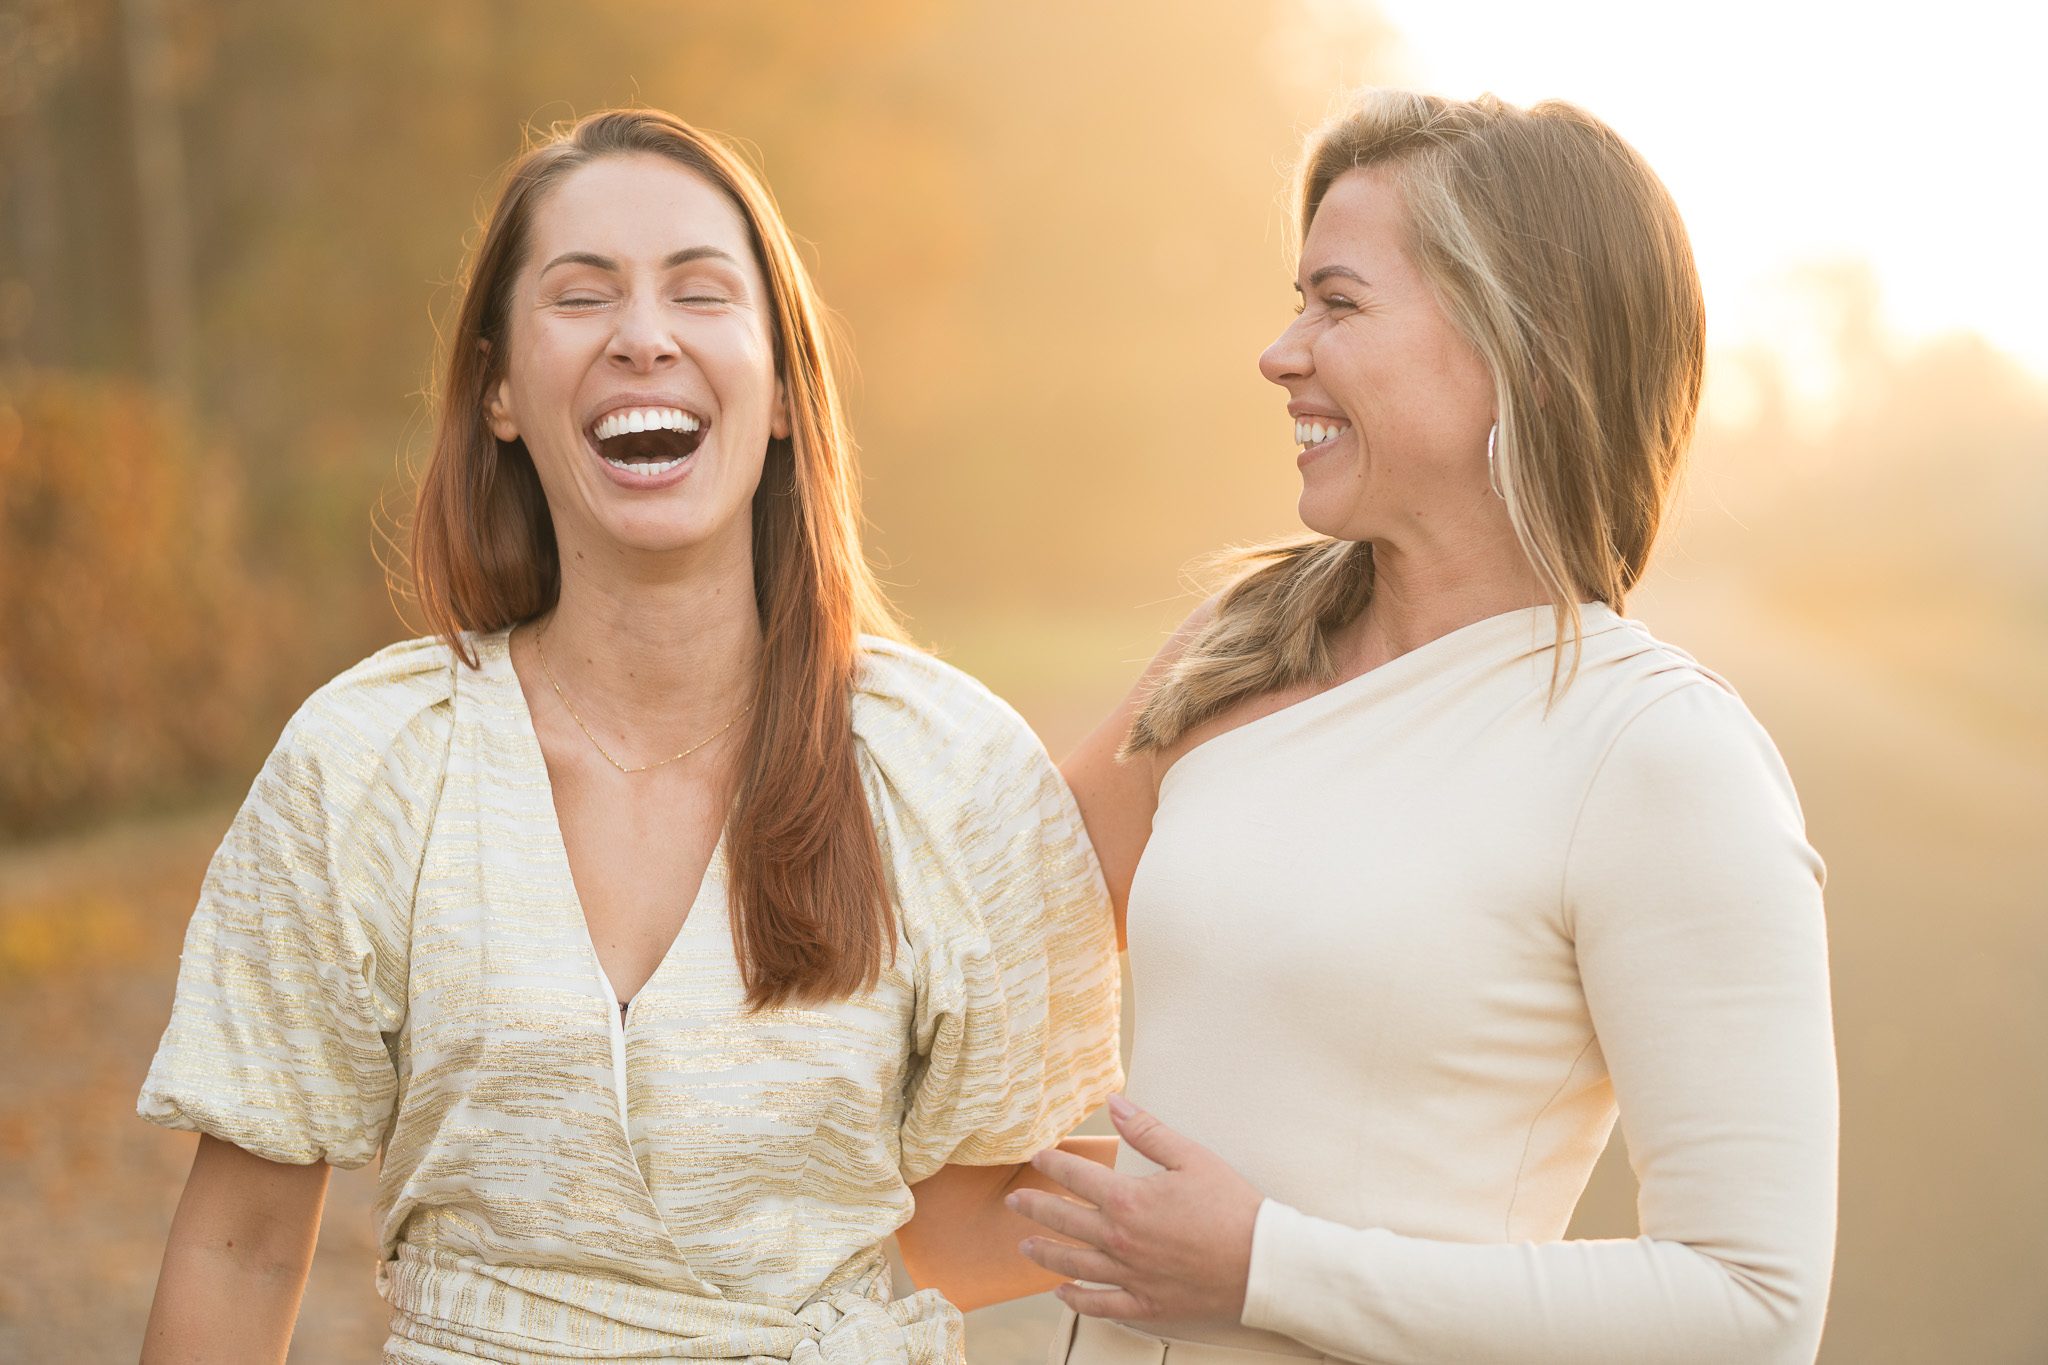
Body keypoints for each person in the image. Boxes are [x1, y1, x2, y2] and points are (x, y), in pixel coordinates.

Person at [135, 108, 1122, 1365]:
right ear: (497, 388)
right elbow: (241, 1246)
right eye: (582, 294)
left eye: (701, 294)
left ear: (778, 390)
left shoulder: (946, 771)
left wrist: (1309, 1243)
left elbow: (969, 1222)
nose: (643, 336)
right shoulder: (369, 767)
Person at [1013, 90, 1837, 1365]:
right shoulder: (1240, 646)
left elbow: (1750, 1309)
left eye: (1336, 305)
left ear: (1522, 344)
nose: (1280, 353)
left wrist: (1266, 1269)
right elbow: (979, 926)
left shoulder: (1656, 754)